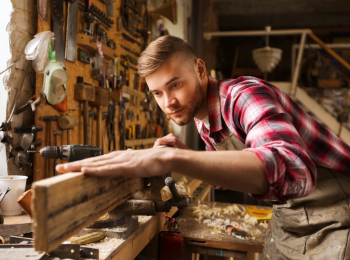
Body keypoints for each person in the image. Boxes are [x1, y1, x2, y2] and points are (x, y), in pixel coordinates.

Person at [56, 36, 350, 259]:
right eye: (157, 92)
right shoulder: (203, 117)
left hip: (337, 214)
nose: (167, 102)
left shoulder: (243, 96)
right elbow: (229, 171)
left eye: (174, 85)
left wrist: (176, 158)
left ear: (199, 69)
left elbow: (293, 172)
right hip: (290, 220)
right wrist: (187, 154)